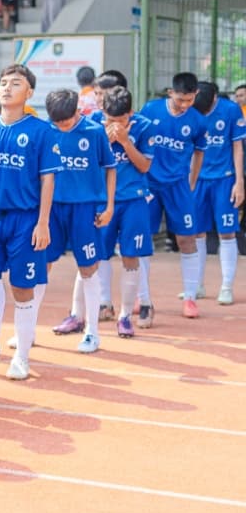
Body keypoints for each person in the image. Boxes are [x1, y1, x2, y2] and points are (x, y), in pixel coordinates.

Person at [0, 65, 61, 382]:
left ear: (29, 92)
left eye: (15, 83)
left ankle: (21, 357)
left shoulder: (41, 130)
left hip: (25, 220)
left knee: (22, 289)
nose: (7, 88)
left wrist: (43, 222)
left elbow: (48, 180)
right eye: (3, 83)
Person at [43, 89, 117, 354]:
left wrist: (109, 206)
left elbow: (110, 168)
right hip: (51, 209)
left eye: (66, 121)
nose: (62, 126)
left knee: (88, 268)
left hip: (84, 209)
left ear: (77, 111)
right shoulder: (44, 131)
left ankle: (92, 332)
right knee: (41, 265)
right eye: (57, 122)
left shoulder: (94, 132)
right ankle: (25, 332)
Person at [137, 71, 207, 322]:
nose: (185, 104)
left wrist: (192, 182)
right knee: (142, 239)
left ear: (196, 95)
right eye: (180, 99)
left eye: (189, 99)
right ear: (170, 93)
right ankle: (142, 297)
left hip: (178, 186)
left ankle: (190, 297)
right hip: (149, 184)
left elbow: (199, 152)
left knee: (187, 239)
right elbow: (137, 141)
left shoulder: (198, 121)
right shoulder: (151, 109)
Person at [95, 85, 156, 338]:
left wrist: (125, 141)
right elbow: (89, 163)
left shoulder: (144, 126)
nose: (114, 125)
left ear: (130, 113)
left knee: (131, 255)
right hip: (103, 200)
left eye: (120, 121)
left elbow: (144, 166)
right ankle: (103, 303)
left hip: (134, 200)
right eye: (110, 120)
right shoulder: (93, 124)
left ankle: (126, 315)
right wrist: (105, 142)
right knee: (99, 254)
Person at [189, 80, 245, 305]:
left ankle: (226, 286)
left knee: (227, 232)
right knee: (197, 233)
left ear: (214, 98)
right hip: (198, 179)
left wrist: (239, 182)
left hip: (224, 179)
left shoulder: (231, 110)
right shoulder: (191, 109)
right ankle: (197, 285)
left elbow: (238, 147)